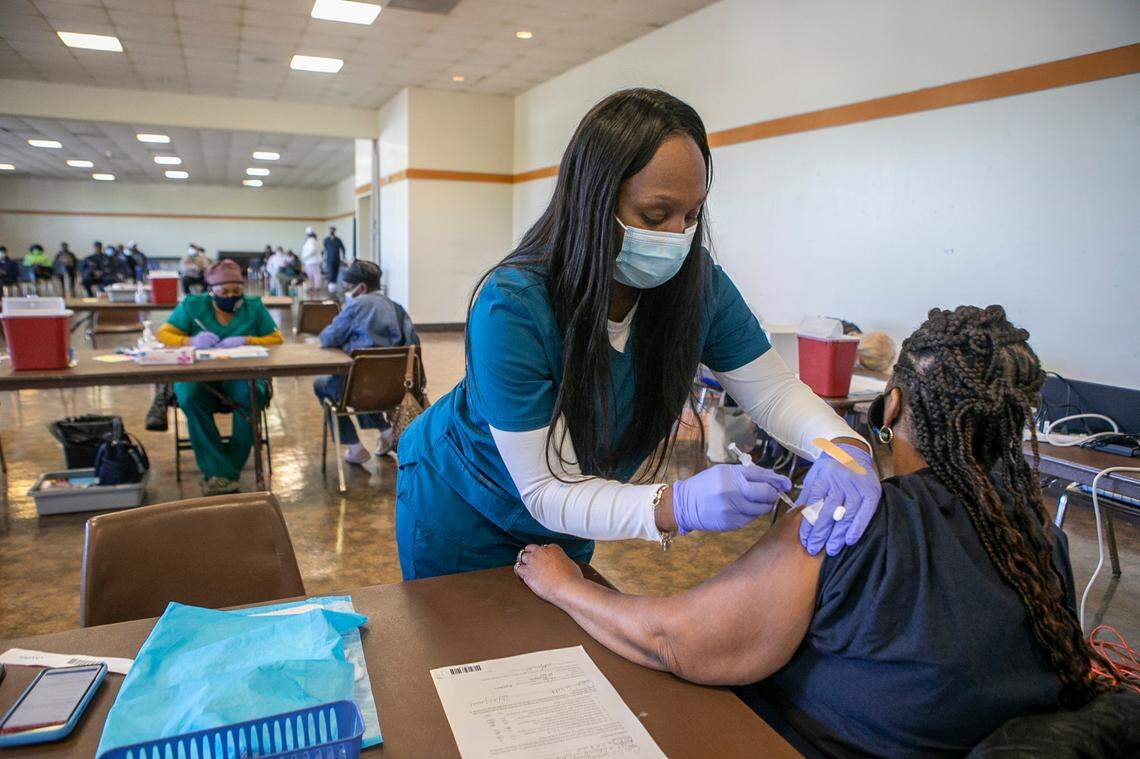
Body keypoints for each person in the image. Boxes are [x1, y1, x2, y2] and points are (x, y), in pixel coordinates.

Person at [514, 305, 1133, 756]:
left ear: (890, 409)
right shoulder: (1035, 539)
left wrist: (566, 585)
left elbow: (671, 641)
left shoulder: (847, 519)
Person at [394, 89, 879, 581]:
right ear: (592, 203)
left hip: (573, 514)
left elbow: (773, 391)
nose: (676, 235)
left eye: (691, 216)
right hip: (463, 510)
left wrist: (845, 448)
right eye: (654, 215)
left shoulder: (698, 286)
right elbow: (544, 489)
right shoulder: (514, 304)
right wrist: (677, 505)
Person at [155, 260, 283, 495]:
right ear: (210, 291)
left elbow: (275, 338)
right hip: (200, 375)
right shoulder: (193, 306)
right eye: (224, 292)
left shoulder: (253, 307)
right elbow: (163, 334)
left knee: (251, 396)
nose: (231, 296)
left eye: (236, 291)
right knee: (191, 396)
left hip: (243, 374)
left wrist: (248, 340)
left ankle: (221, 474)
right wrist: (189, 341)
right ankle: (223, 471)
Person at [313, 261, 419, 464]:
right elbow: (413, 345)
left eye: (346, 287)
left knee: (323, 385)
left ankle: (354, 447)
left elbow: (328, 338)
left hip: (359, 386)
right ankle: (387, 433)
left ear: (360, 287)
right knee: (364, 383)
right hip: (393, 387)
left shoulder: (356, 305)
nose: (345, 291)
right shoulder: (397, 308)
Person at [323, 226, 346, 291]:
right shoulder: (326, 240)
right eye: (330, 230)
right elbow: (324, 249)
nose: (331, 232)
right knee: (331, 272)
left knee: (336, 272)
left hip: (337, 259)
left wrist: (344, 257)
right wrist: (323, 257)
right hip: (329, 259)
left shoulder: (338, 240)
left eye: (333, 230)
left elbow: (343, 248)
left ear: (335, 231)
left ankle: (334, 286)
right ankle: (330, 286)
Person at [301, 226, 322, 294]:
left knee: (314, 275)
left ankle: (316, 288)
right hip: (310, 261)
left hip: (312, 261)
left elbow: (312, 250)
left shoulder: (311, 241)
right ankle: (312, 287)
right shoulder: (313, 240)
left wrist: (304, 257)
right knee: (311, 275)